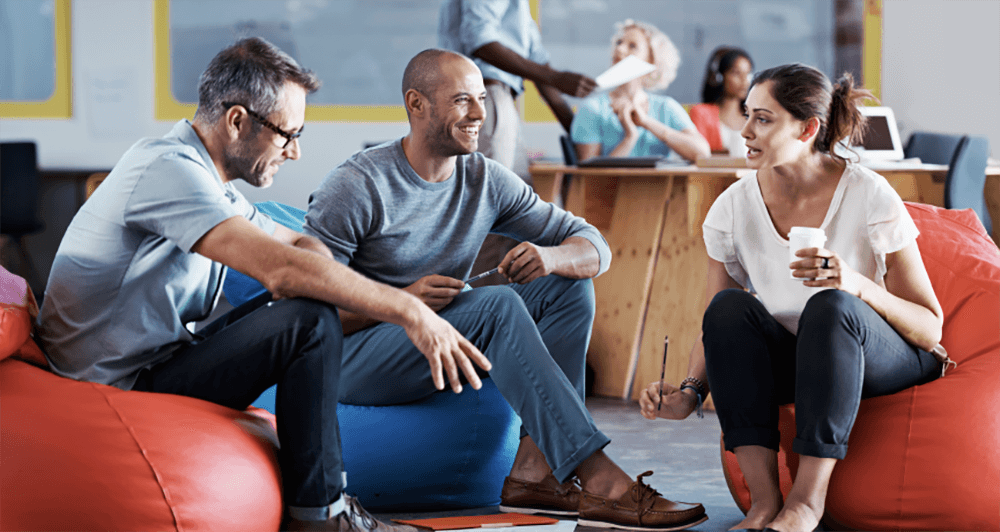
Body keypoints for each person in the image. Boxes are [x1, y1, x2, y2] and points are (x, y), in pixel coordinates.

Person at [37, 37, 487, 532]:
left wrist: (305, 268)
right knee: (310, 321)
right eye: (286, 134)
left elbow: (295, 244)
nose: (294, 152)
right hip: (118, 384)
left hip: (157, 360)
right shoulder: (168, 172)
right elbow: (283, 270)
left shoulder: (206, 179)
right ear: (237, 121)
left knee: (307, 305)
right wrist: (409, 310)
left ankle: (323, 504)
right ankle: (322, 515)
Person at [302, 48, 708, 532]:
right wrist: (403, 303)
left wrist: (552, 256)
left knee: (565, 286)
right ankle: (601, 479)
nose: (479, 114)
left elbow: (596, 246)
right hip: (352, 358)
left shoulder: (486, 180)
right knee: (495, 304)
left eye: (480, 99)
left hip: (433, 341)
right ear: (417, 104)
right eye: (462, 101)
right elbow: (306, 318)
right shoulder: (358, 185)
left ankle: (535, 474)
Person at [638, 63, 948, 532]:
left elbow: (930, 327)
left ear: (807, 129)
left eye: (763, 119)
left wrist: (853, 282)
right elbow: (716, 320)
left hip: (875, 353)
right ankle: (764, 503)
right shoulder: (733, 205)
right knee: (728, 308)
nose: (744, 131)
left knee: (830, 306)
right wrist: (689, 392)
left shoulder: (868, 193)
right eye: (746, 115)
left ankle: (806, 503)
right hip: (803, 360)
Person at [438, 0, 597, 285]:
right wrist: (556, 78)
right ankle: (472, 310)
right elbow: (480, 40)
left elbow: (536, 60)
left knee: (517, 211)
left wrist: (578, 130)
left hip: (502, 100)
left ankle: (501, 307)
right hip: (484, 95)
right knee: (488, 210)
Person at [571, 19, 710, 162]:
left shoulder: (666, 107)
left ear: (652, 59)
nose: (619, 49)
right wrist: (630, 138)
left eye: (632, 46)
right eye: (619, 43)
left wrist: (646, 122)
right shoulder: (592, 109)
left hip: (662, 185)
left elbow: (702, 153)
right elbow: (589, 178)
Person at [688, 46, 754, 156]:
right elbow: (698, 155)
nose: (745, 80)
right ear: (719, 77)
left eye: (748, 74)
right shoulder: (701, 113)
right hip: (714, 172)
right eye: (736, 73)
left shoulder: (754, 116)